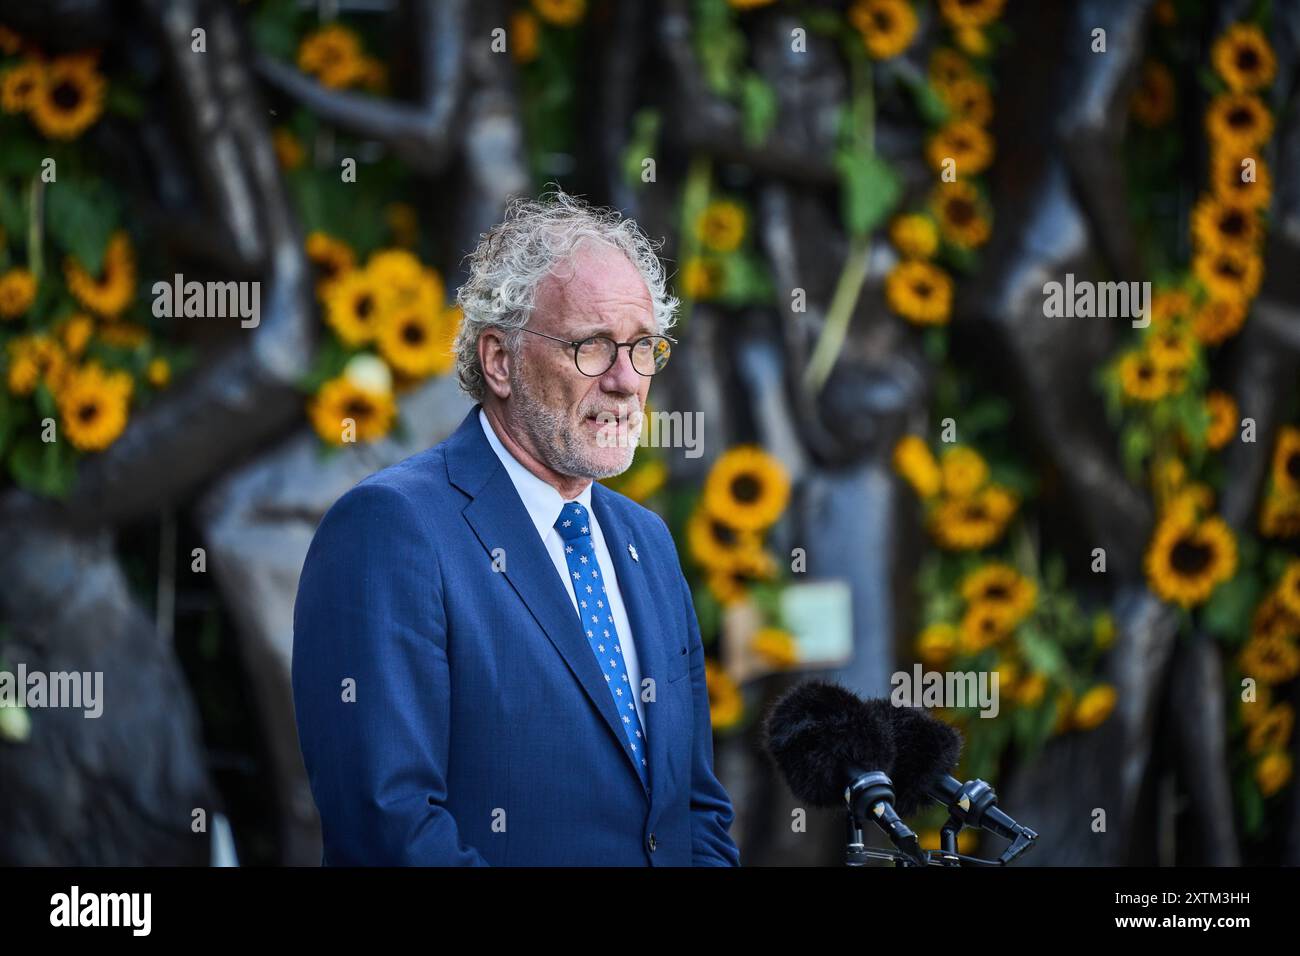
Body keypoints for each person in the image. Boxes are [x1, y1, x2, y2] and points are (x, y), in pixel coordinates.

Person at [292, 189, 740, 866]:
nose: (625, 380)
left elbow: (696, 812)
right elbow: (392, 833)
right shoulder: (391, 529)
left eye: (643, 347)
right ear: (500, 360)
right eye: (593, 346)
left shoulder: (647, 541)